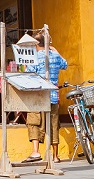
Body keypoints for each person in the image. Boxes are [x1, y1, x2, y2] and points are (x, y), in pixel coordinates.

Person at [21, 31, 68, 164]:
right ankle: (55, 156)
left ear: (36, 44)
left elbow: (28, 72)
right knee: (53, 125)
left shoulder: (35, 57)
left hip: (38, 95)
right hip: (53, 96)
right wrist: (56, 50)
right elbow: (65, 64)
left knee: (34, 121)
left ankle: (36, 151)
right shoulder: (55, 56)